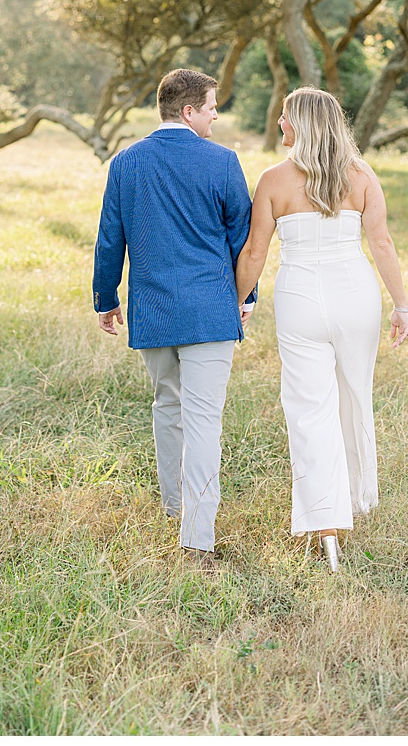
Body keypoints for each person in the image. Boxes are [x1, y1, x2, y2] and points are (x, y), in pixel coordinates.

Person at [235, 86, 408, 572]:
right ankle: (355, 500)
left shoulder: (274, 179)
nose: (280, 125)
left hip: (300, 300)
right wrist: (401, 304)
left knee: (309, 410)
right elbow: (382, 241)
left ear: (304, 124)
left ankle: (324, 524)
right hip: (356, 296)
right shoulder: (361, 175)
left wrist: (235, 303)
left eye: (286, 118)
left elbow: (254, 253)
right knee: (355, 397)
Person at [92, 67, 256, 568]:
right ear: (187, 110)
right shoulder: (224, 162)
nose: (214, 115)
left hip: (155, 311)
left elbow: (109, 237)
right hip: (209, 311)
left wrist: (106, 297)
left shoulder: (126, 163)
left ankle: (174, 509)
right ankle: (197, 538)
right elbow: (242, 241)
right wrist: (246, 300)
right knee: (204, 421)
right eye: (210, 107)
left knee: (167, 406)